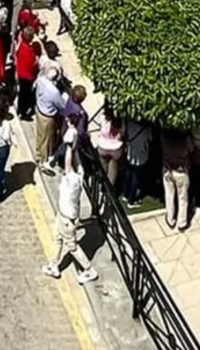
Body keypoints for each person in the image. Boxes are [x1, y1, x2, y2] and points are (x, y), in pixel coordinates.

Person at [42, 147, 98, 285]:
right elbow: (77, 166)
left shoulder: (70, 181)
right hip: (64, 216)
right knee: (57, 238)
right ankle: (54, 265)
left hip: (66, 219)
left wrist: (69, 147)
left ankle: (89, 269)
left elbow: (68, 164)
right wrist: (75, 150)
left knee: (72, 246)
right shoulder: (79, 177)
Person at [34, 66, 68, 174]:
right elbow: (61, 105)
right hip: (48, 116)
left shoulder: (40, 80)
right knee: (46, 139)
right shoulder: (54, 92)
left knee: (41, 135)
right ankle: (43, 162)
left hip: (39, 110)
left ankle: (39, 153)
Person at [162, 130, 192, 231]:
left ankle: (170, 219)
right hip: (181, 171)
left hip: (168, 170)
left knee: (169, 195)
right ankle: (182, 222)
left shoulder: (165, 137)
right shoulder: (185, 140)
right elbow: (191, 149)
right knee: (182, 198)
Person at [95, 108, 124, 188]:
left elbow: (99, 121)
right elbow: (123, 133)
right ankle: (109, 190)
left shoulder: (104, 118)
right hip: (115, 149)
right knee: (112, 172)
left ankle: (100, 186)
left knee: (102, 167)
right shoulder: (120, 121)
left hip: (103, 147)